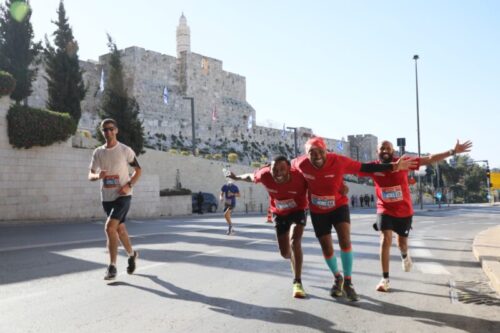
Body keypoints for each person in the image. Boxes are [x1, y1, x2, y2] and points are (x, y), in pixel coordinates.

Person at [291, 137, 416, 301]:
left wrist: (392, 166)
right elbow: (285, 168)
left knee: (345, 240)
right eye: (312, 153)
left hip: (339, 206)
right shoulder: (300, 163)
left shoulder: (338, 161)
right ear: (306, 154)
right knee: (327, 249)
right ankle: (338, 278)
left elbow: (365, 167)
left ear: (326, 151)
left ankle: (348, 282)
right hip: (318, 210)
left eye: (320, 151)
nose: (317, 156)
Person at [360, 139, 472, 292]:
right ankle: (384, 279)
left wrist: (452, 152)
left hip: (404, 211)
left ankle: (405, 256)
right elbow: (350, 168)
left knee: (402, 244)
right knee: (385, 239)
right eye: (382, 148)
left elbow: (430, 159)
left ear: (393, 151)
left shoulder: (404, 162)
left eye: (388, 148)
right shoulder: (373, 167)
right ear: (377, 151)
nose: (385, 150)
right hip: (384, 209)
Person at [228, 156, 309, 298]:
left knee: (295, 241)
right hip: (279, 212)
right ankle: (295, 259)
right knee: (285, 253)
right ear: (269, 169)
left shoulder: (299, 177)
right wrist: (237, 178)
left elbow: (317, 183)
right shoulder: (265, 174)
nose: (278, 173)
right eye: (274, 170)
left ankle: (297, 281)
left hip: (298, 209)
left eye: (282, 169)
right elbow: (250, 176)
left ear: (289, 169)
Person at [88, 119, 142, 280]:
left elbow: (138, 169)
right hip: (107, 197)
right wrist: (98, 176)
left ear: (116, 130)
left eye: (111, 129)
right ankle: (132, 255)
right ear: (102, 132)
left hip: (123, 195)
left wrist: (129, 184)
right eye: (105, 130)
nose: (108, 132)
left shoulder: (125, 150)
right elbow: (90, 175)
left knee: (109, 228)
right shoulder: (98, 152)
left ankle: (112, 267)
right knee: (120, 230)